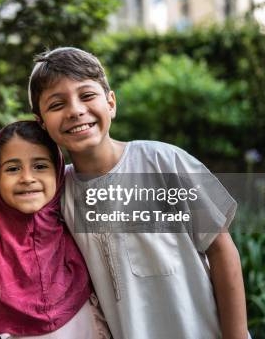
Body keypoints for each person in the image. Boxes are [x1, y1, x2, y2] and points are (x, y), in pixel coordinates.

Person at [27, 47, 250, 339]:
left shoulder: (164, 162)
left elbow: (221, 250)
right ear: (42, 124)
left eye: (87, 95)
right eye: (57, 105)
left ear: (111, 103)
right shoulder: (58, 194)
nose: (75, 110)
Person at [0, 121, 110, 339]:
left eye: (40, 166)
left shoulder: (82, 229)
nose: (27, 178)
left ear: (58, 171)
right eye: (13, 169)